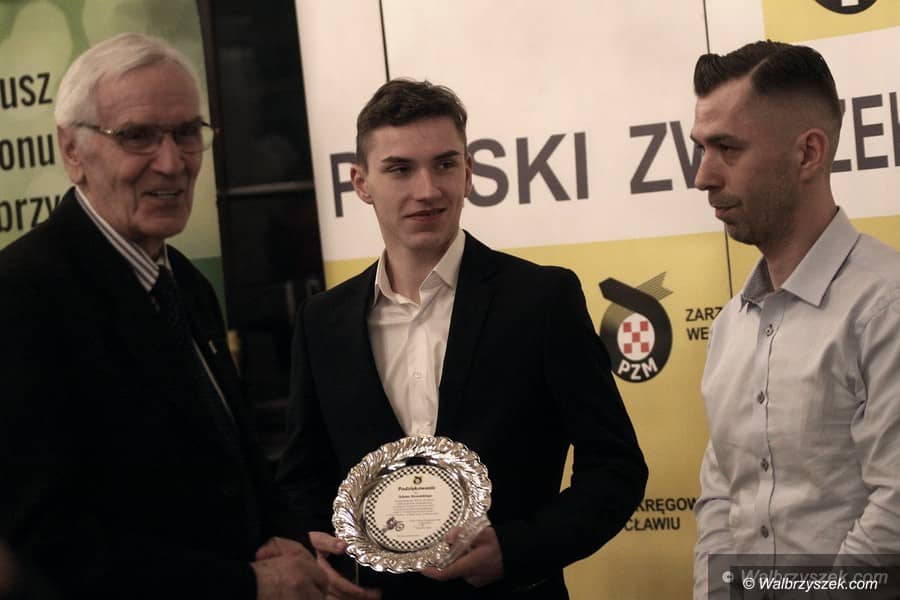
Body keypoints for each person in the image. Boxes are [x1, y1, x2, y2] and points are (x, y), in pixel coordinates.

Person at [276, 78, 648, 599]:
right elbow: (303, 478)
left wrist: (516, 550)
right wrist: (309, 543)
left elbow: (615, 468)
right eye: (400, 169)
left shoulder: (542, 300)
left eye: (445, 164)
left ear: (469, 172)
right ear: (361, 183)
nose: (428, 190)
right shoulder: (322, 321)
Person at [0, 33, 326, 600]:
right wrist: (249, 584)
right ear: (71, 151)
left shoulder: (186, 284)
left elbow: (237, 466)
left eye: (186, 133)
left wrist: (294, 545)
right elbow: (52, 542)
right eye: (137, 136)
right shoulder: (21, 295)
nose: (173, 163)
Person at [690, 41, 900, 599]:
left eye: (727, 148)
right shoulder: (730, 325)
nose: (703, 176)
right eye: (701, 148)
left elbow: (895, 514)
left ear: (808, 153)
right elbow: (721, 497)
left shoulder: (886, 307)